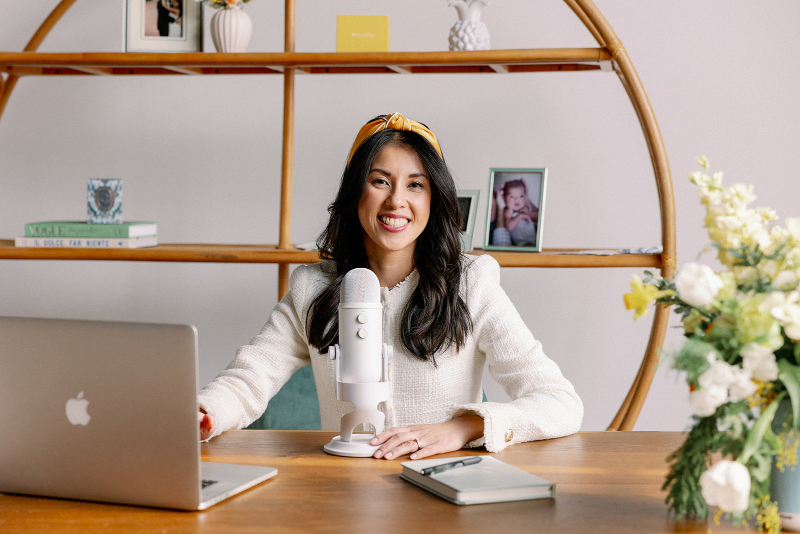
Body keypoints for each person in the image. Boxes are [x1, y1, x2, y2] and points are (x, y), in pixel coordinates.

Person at [197, 113, 582, 459]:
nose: (397, 201)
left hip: (443, 494)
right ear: (354, 194)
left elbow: (559, 402)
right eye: (380, 181)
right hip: (344, 492)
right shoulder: (312, 289)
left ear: (434, 200)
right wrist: (205, 412)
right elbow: (249, 379)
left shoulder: (471, 284)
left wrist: (462, 429)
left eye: (416, 185)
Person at [500, 179, 538, 247]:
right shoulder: (509, 211)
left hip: (534, 241)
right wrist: (520, 216)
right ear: (504, 198)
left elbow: (538, 218)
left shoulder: (526, 207)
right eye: (512, 197)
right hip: (521, 244)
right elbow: (509, 227)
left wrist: (528, 213)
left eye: (521, 196)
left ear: (525, 196)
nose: (517, 199)